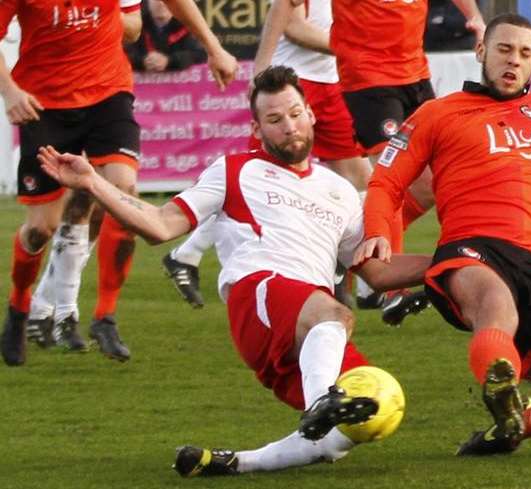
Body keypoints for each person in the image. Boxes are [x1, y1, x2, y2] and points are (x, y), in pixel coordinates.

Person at [37, 65, 430, 475]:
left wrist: (452, 262)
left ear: (311, 114)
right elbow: (160, 225)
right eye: (275, 120)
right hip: (262, 295)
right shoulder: (234, 170)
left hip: (307, 329)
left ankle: (236, 463)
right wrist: (94, 184)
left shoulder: (340, 193)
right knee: (336, 315)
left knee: (367, 411)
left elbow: (376, 273)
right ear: (258, 130)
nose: (289, 127)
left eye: (295, 114)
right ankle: (320, 401)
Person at [355, 14, 531, 455]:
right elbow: (385, 182)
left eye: (525, 53)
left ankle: (513, 426)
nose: (514, 61)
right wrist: (376, 231)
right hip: (472, 248)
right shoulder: (436, 114)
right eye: (504, 49)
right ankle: (500, 384)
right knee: (495, 306)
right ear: (481, 52)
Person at [0, 0, 238, 366]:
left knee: (122, 194)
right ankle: (19, 305)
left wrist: (214, 46)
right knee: (40, 230)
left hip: (108, 94)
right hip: (43, 103)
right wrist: (10, 91)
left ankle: (105, 316)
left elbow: (140, 19)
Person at [254, 0, 485, 310]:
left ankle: (345, 248)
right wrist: (261, 67)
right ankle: (392, 292)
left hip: (414, 75)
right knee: (393, 178)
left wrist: (476, 18)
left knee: (430, 184)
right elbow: (285, 6)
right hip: (368, 81)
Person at [125, 0, 207, 72]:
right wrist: (143, 62)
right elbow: (124, 54)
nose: (161, 4)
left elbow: (200, 54)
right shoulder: (137, 26)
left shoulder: (187, 26)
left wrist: (169, 61)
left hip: (180, 87)